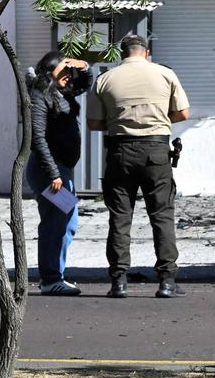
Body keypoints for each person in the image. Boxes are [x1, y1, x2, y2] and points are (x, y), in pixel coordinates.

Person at [86, 34, 190, 299]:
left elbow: (94, 123)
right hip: (156, 151)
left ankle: (118, 281)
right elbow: (183, 113)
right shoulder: (165, 75)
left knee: (120, 218)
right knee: (162, 216)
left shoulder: (105, 79)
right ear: (146, 52)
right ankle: (167, 281)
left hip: (120, 151)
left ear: (123, 53)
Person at [26, 51, 92, 296]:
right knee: (56, 222)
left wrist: (83, 66)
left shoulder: (60, 92)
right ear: (49, 70)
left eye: (69, 70)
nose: (68, 74)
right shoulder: (40, 95)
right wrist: (53, 174)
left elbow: (85, 83)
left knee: (67, 221)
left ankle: (55, 275)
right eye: (63, 70)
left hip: (60, 170)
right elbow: (38, 139)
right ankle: (51, 278)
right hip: (48, 172)